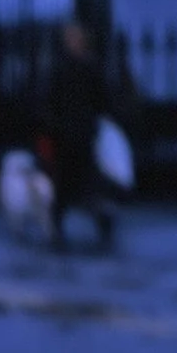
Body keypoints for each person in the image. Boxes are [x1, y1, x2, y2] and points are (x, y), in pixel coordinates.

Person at [41, 19, 118, 251]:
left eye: (75, 38)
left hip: (82, 134)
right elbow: (49, 99)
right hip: (65, 133)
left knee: (86, 184)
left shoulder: (89, 67)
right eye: (69, 38)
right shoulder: (61, 68)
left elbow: (102, 99)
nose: (71, 42)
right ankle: (57, 228)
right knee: (64, 185)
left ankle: (101, 223)